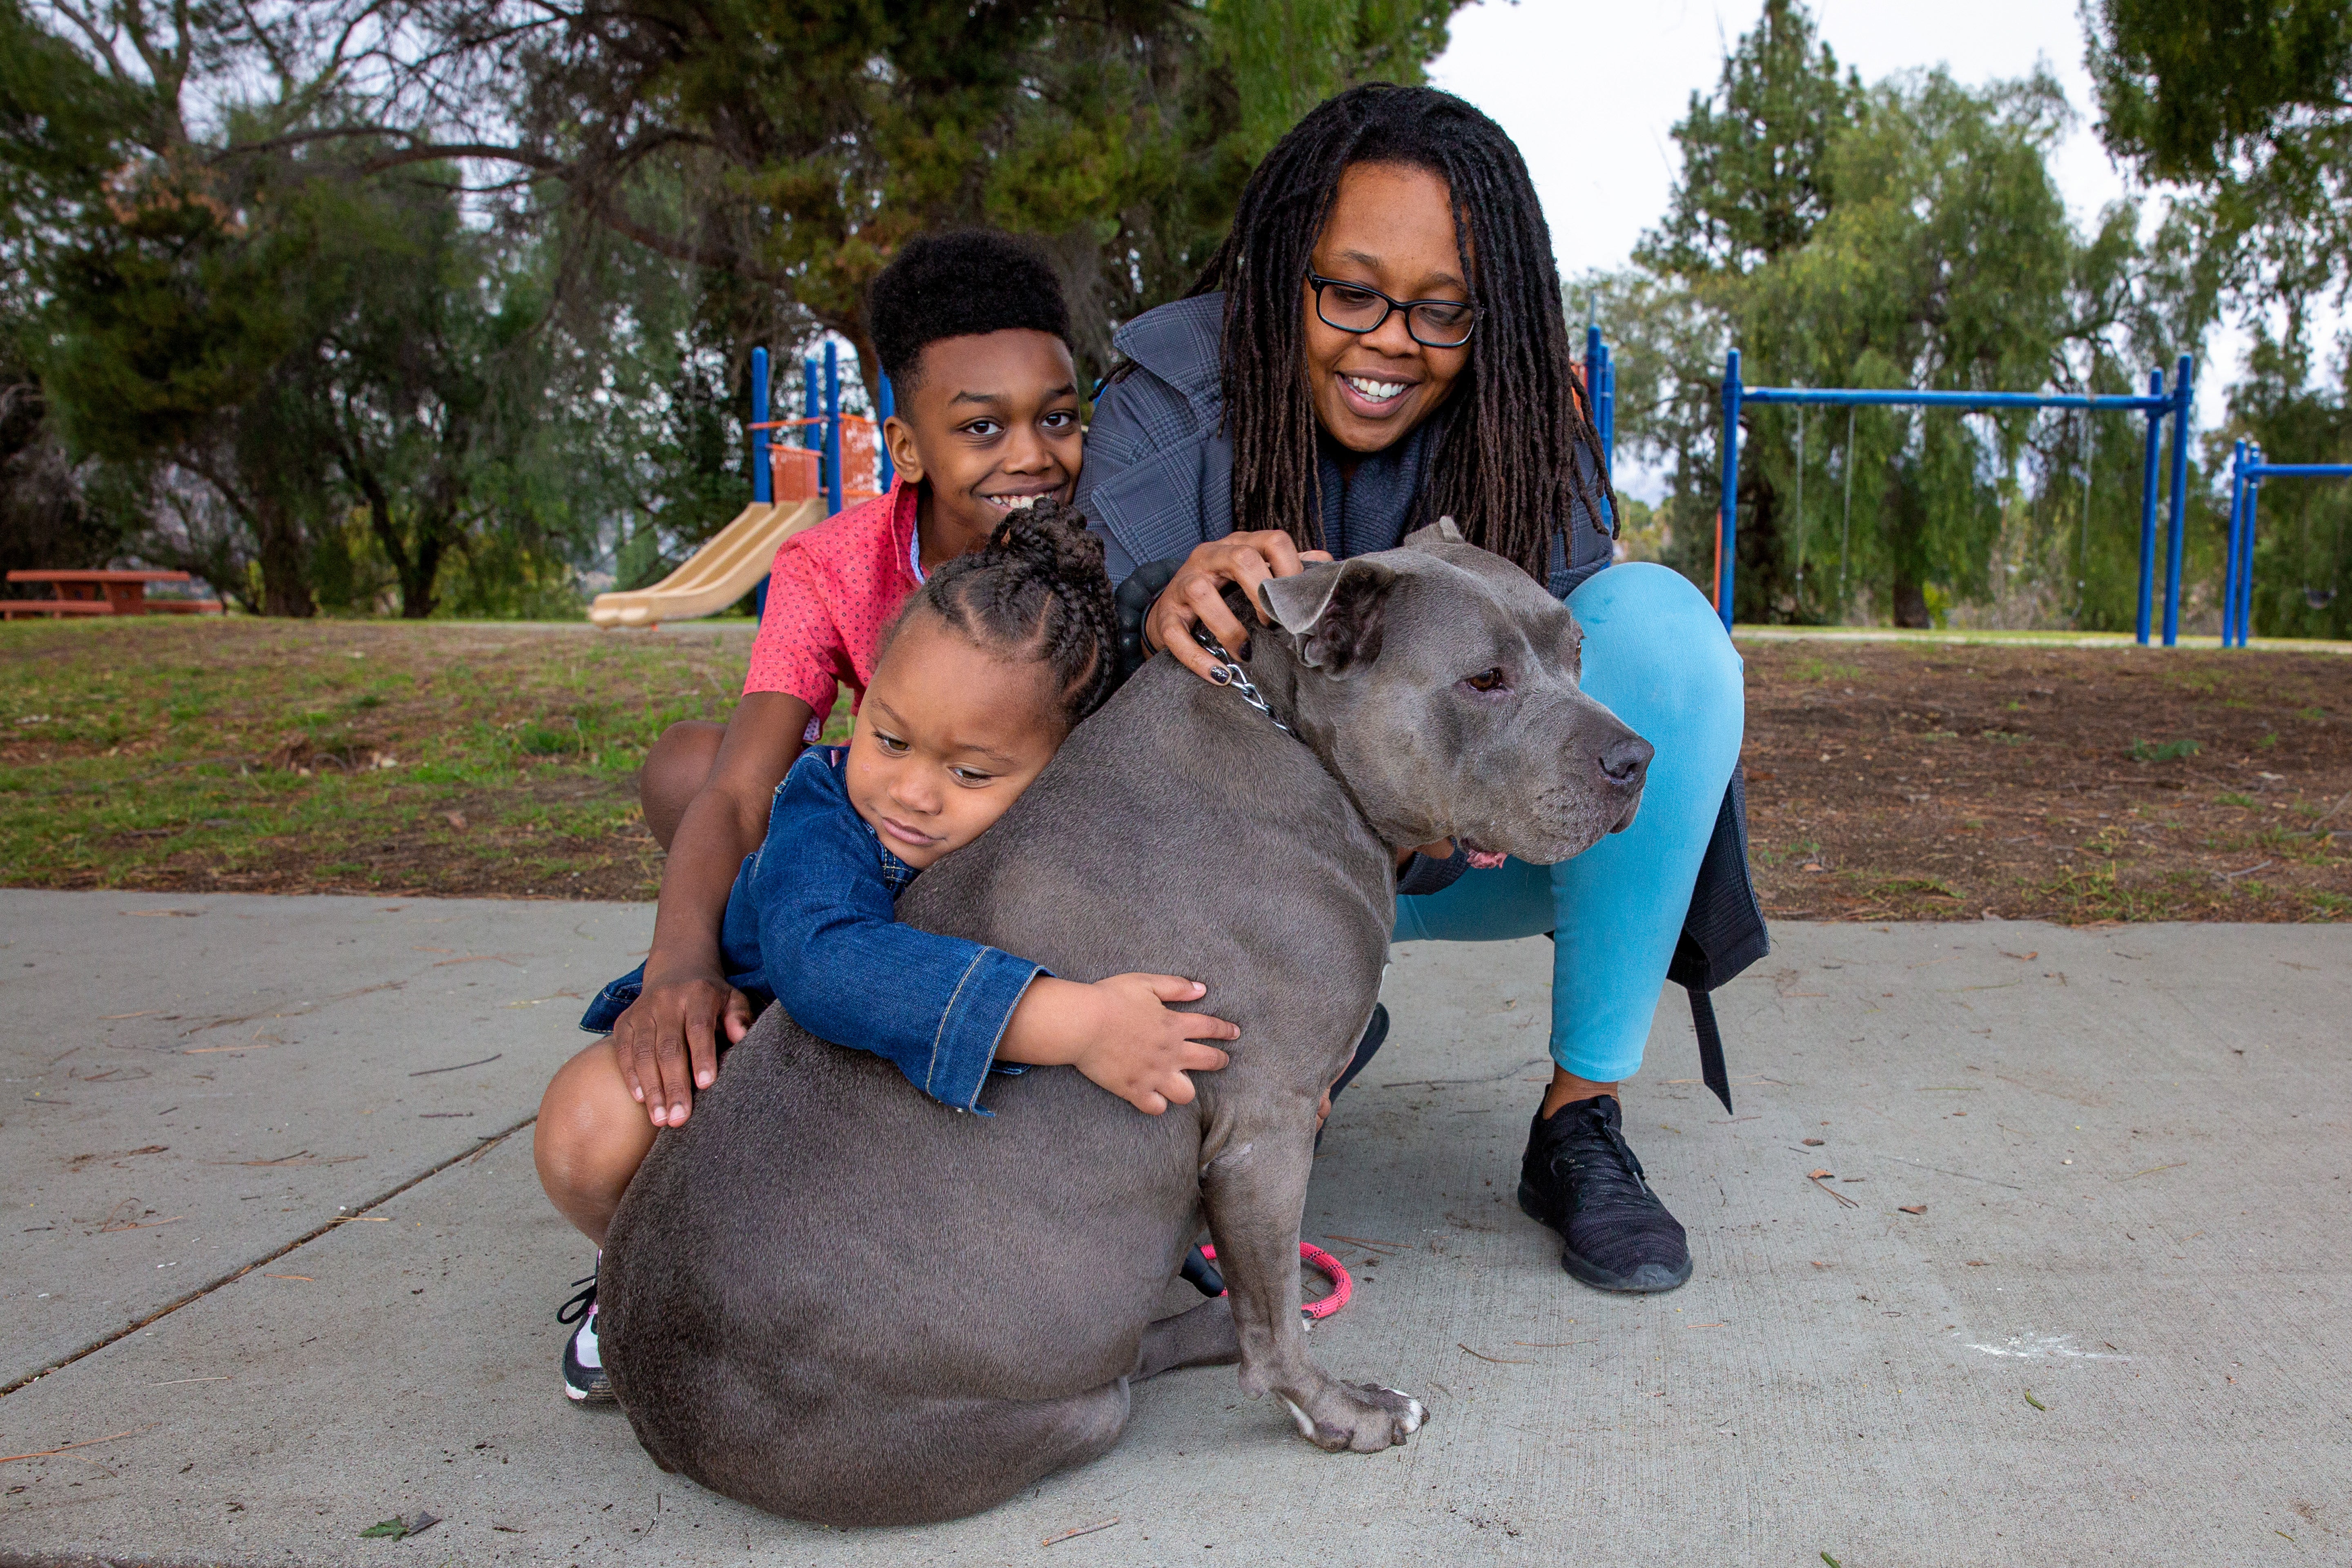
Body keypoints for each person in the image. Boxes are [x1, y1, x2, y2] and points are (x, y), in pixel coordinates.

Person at [1076, 84, 1748, 1296]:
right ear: (1284, 272)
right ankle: (1301, 1024)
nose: (1393, 339)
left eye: (1442, 311)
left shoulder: (1521, 414)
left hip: (1465, 859)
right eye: (1352, 292)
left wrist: (1503, 741)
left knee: (1665, 631)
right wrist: (1149, 599)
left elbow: (1576, 664)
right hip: (1225, 883)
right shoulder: (1166, 399)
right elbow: (1052, 699)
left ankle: (1578, 1121)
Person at [538, 503, 1239, 1402]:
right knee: (589, 1129)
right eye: (890, 739)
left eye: (970, 772)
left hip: (900, 1121)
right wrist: (1074, 1021)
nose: (911, 794)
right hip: (763, 1065)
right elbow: (825, 964)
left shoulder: (1067, 833)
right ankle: (648, 1275)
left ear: (1066, 767)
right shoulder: (827, 817)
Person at [610, 228, 1087, 1137]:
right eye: (983, 426)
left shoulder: (1106, 542)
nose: (1032, 455)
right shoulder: (833, 565)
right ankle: (822, 975)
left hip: (1043, 850)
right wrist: (677, 964)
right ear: (906, 448)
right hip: (908, 836)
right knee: (693, 767)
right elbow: (744, 784)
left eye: (1057, 418)